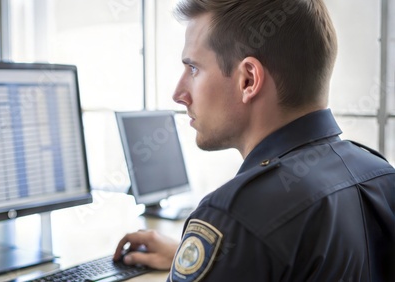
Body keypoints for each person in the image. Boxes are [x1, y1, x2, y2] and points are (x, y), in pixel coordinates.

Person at [113, 0, 395, 281]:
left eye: (194, 69)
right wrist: (211, 259)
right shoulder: (381, 176)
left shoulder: (235, 217)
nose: (178, 93)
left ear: (248, 80)